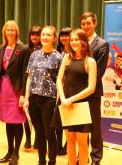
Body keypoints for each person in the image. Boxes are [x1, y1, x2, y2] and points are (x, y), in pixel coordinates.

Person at [56, 29, 97, 165]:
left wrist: (70, 100)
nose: (73, 42)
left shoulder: (90, 61)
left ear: (83, 42)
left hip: (81, 106)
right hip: (66, 104)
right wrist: (63, 99)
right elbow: (59, 80)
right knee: (70, 141)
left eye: (76, 39)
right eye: (72, 39)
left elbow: (91, 88)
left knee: (82, 143)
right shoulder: (67, 58)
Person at [24, 25, 62, 165]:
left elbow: (60, 80)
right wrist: (27, 97)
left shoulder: (58, 57)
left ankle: (52, 161)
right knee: (39, 133)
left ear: (54, 38)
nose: (45, 37)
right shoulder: (34, 54)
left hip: (49, 99)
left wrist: (58, 100)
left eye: (48, 35)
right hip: (34, 98)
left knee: (49, 134)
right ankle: (41, 161)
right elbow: (29, 77)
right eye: (43, 34)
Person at [0, 20, 29, 165]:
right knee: (8, 122)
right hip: (4, 87)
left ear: (17, 32)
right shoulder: (1, 48)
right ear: (4, 32)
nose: (10, 32)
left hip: (16, 89)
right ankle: (9, 151)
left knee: (17, 121)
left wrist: (23, 94)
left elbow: (25, 73)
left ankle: (16, 153)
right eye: (7, 30)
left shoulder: (23, 48)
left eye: (12, 30)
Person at [80, 12, 109, 165]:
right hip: (76, 93)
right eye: (83, 24)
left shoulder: (102, 44)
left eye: (88, 23)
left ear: (95, 23)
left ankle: (96, 159)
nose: (86, 27)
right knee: (80, 127)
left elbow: (99, 72)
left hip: (92, 93)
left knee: (95, 127)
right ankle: (82, 156)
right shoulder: (77, 42)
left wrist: (84, 87)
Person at [24, 25, 42, 149]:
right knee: (26, 115)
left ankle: (38, 138)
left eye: (37, 34)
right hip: (26, 86)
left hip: (39, 88)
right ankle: (28, 138)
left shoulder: (44, 50)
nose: (35, 37)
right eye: (33, 34)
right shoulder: (25, 49)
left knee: (37, 116)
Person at [55, 27, 72, 155]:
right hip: (57, 89)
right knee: (58, 119)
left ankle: (68, 144)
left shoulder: (74, 52)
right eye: (62, 35)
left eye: (67, 35)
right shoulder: (57, 51)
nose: (64, 38)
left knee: (70, 119)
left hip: (71, 89)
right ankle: (58, 144)